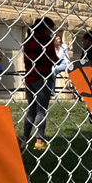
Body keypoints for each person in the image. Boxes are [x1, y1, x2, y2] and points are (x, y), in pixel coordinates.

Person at [22, 17, 58, 151]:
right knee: (41, 110)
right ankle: (39, 141)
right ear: (46, 26)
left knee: (31, 110)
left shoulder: (27, 39)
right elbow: (53, 58)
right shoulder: (46, 40)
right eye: (51, 28)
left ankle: (25, 139)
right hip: (42, 77)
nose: (52, 31)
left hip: (30, 78)